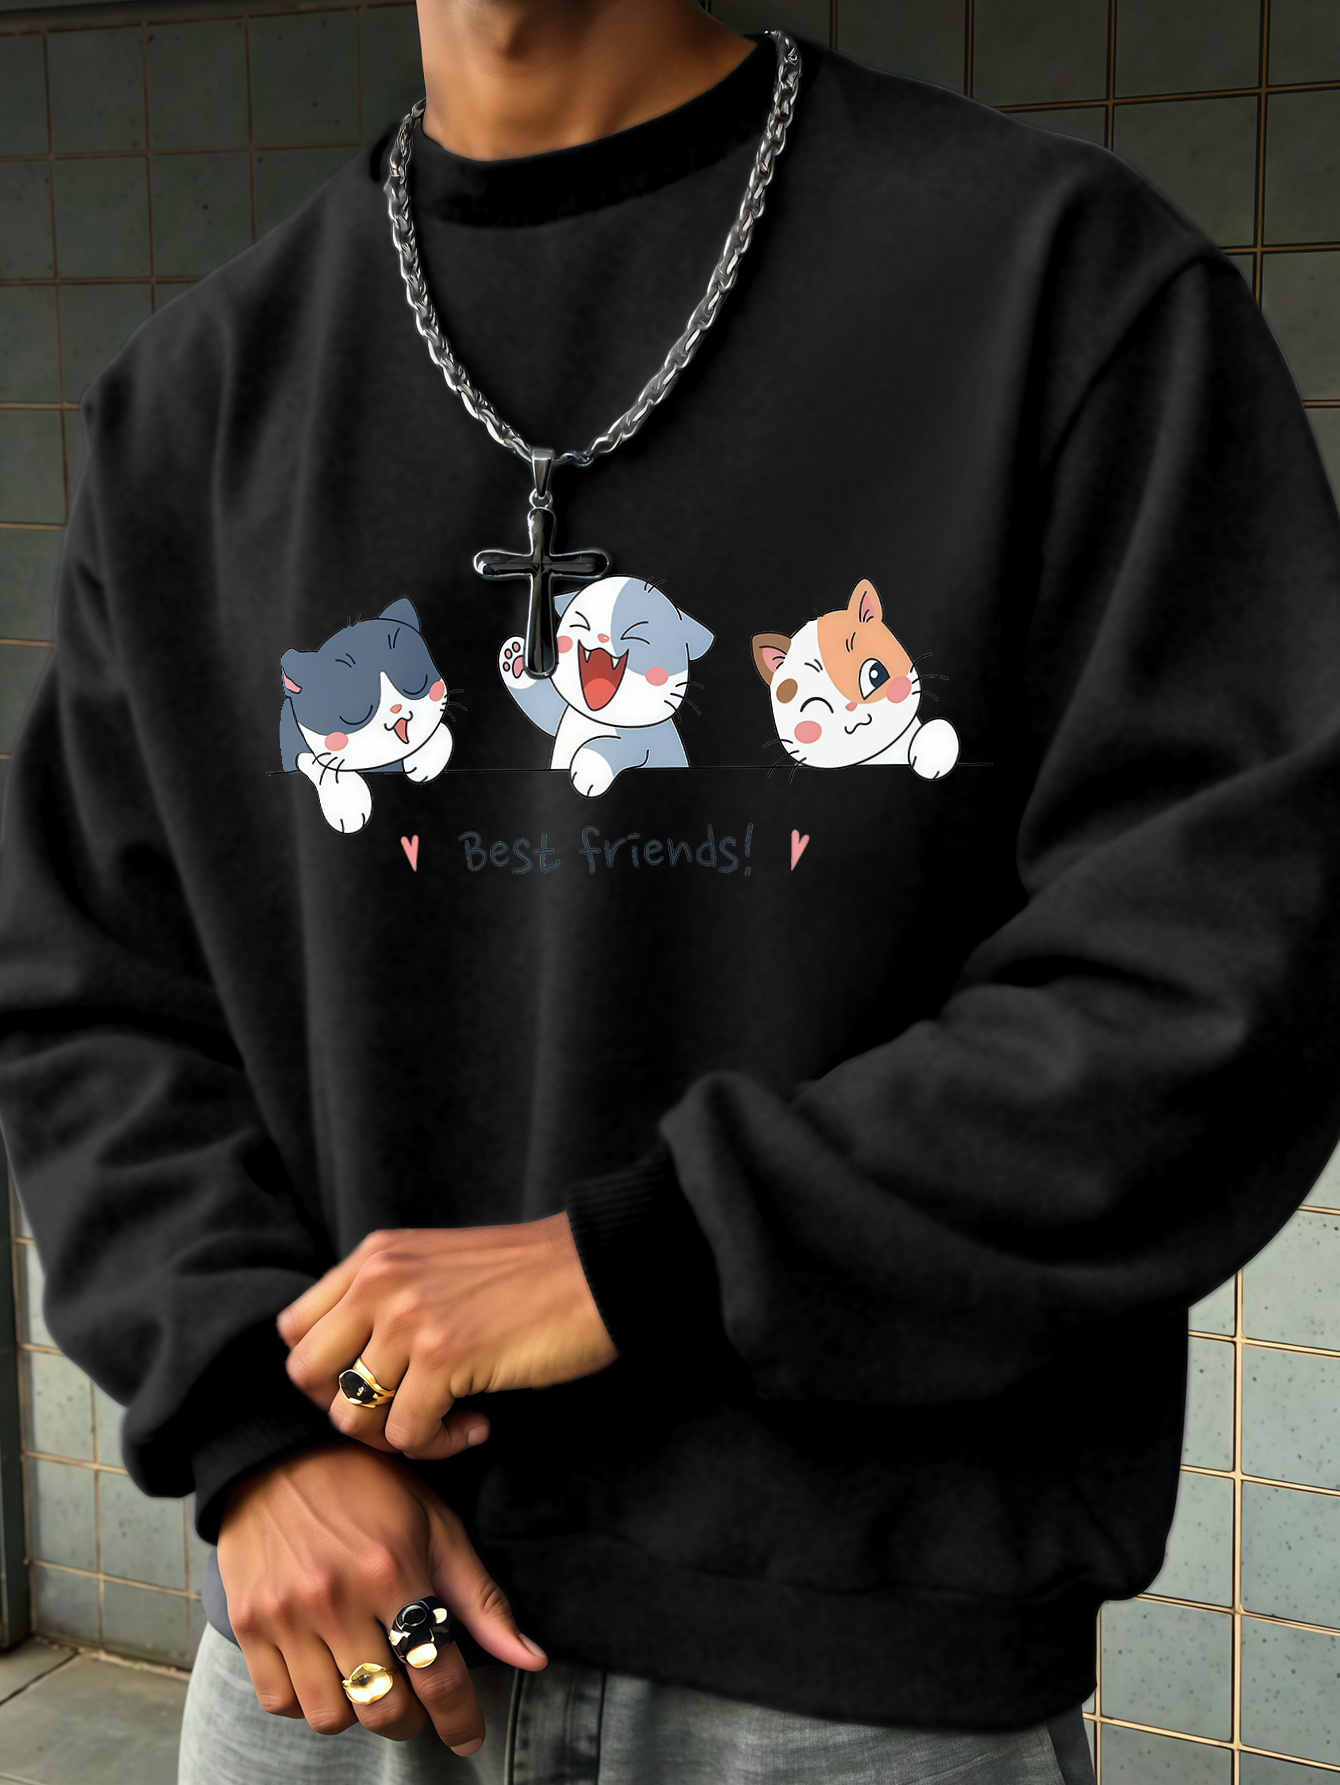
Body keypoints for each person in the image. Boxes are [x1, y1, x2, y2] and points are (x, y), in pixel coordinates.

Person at [1, 0, 1338, 1779]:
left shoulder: (1062, 290)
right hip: (340, 1637)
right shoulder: (197, 398)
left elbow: (1225, 975)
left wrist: (652, 1257)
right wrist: (255, 1428)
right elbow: (89, 997)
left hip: (854, 1677)